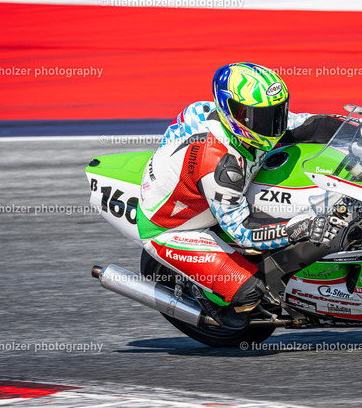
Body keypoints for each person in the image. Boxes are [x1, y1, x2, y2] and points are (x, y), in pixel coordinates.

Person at [137, 63, 343, 328]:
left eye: (277, 113)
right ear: (231, 112)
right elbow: (242, 231)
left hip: (203, 190)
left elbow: (313, 126)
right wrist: (299, 228)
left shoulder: (251, 122)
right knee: (250, 291)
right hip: (174, 227)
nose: (273, 125)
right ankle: (209, 298)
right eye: (260, 117)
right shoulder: (220, 163)